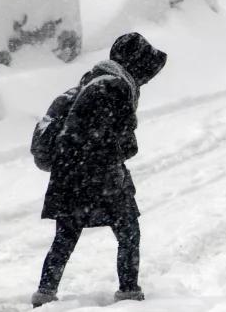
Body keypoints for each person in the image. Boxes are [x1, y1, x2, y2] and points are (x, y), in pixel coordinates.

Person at [31, 32, 167, 308]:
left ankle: (45, 294)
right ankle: (129, 293)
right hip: (98, 176)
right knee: (128, 230)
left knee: (66, 236)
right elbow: (118, 141)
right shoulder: (114, 88)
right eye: (146, 71)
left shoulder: (92, 80)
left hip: (70, 175)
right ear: (136, 64)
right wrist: (115, 152)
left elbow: (78, 132)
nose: (147, 79)